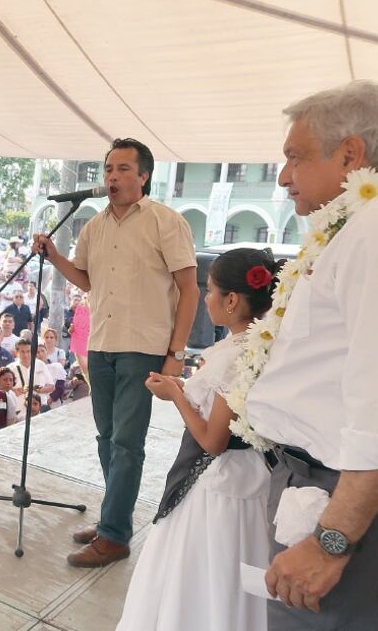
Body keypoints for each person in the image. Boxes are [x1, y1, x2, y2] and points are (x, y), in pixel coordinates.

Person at [242, 82, 378, 628]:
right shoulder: (372, 225)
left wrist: (330, 542)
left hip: (360, 507)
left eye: (295, 156)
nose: (284, 176)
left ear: (351, 153)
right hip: (340, 493)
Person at [32, 137, 199, 568]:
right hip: (101, 346)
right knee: (106, 440)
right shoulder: (94, 225)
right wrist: (53, 256)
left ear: (143, 176)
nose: (113, 176)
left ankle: (114, 535)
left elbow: (188, 288)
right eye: (109, 168)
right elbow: (86, 280)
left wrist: (176, 354)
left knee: (126, 444)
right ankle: (115, 518)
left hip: (143, 349)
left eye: (124, 168)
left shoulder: (166, 221)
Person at [117, 248, 276, 630]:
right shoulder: (258, 345)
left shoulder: (236, 357)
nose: (206, 298)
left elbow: (212, 439)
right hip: (248, 477)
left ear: (232, 301)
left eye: (210, 290)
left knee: (202, 577)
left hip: (218, 485)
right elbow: (223, 408)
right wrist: (184, 388)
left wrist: (176, 396)